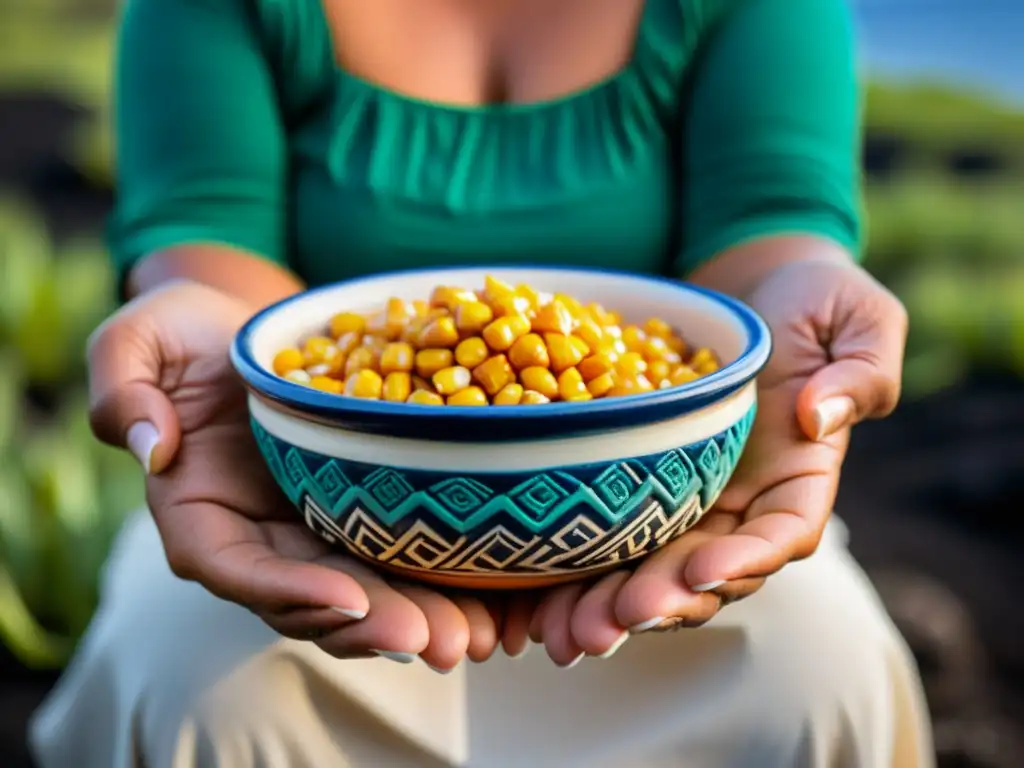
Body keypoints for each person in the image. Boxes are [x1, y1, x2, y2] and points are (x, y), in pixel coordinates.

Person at [30, 0, 935, 764]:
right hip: (304, 498)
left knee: (824, 667)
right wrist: (209, 334)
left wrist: (795, 299)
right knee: (188, 675)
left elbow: (766, 226)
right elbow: (214, 239)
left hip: (669, 508)